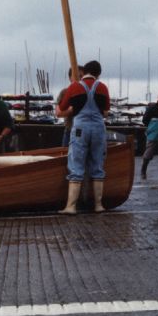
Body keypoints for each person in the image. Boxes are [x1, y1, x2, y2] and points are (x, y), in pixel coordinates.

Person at [56, 61, 110, 214]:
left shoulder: (74, 87)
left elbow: (62, 108)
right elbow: (106, 110)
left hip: (80, 128)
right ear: (98, 74)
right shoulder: (103, 87)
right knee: (98, 166)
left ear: (84, 71)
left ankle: (71, 206)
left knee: (76, 165)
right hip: (99, 128)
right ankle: (99, 205)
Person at [56, 66, 84, 147]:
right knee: (65, 156)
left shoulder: (88, 93)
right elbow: (58, 113)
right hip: (69, 130)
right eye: (75, 76)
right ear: (70, 78)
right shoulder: (64, 92)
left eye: (81, 76)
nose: (78, 78)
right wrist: (72, 109)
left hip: (83, 131)